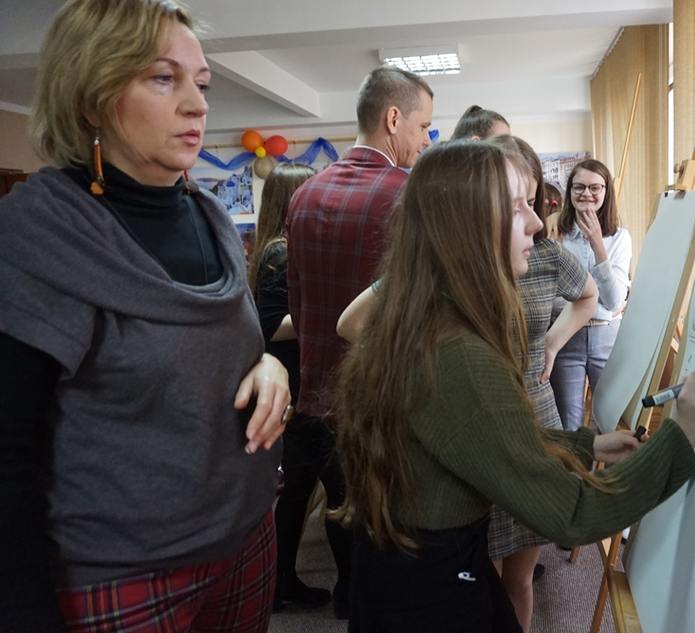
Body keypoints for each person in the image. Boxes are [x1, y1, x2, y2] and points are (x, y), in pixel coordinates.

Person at [332, 140, 695, 632]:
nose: (538, 222)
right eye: (517, 207)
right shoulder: (459, 354)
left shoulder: (421, 315)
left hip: (401, 574)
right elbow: (574, 514)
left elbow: (475, 435)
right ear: (469, 227)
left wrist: (585, 444)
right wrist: (679, 436)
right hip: (433, 593)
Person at [0, 1, 291, 631]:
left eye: (201, 83)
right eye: (163, 78)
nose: (197, 105)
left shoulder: (209, 215)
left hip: (244, 540)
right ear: (90, 98)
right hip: (125, 574)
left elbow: (216, 343)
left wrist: (270, 365)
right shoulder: (40, 233)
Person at [336, 135, 601, 631]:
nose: (534, 220)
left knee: (516, 577)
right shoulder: (449, 321)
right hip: (469, 424)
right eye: (516, 204)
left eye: (532, 200)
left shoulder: (545, 255)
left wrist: (551, 344)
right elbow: (353, 323)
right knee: (474, 567)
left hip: (529, 411)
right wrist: (411, 362)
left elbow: (591, 296)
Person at [286, 64, 433, 618]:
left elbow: (299, 306)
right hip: (387, 399)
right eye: (423, 126)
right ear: (393, 119)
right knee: (390, 532)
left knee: (343, 513)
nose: (425, 141)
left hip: (318, 394)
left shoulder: (304, 195)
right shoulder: (410, 193)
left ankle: (350, 600)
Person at [247, 162, 332, 612]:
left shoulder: (280, 249)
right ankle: (281, 585)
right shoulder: (279, 253)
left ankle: (281, 584)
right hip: (296, 385)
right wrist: (323, 320)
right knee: (310, 488)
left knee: (303, 489)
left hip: (299, 384)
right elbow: (269, 325)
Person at [551, 159, 633, 431]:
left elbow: (614, 300)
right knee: (569, 424)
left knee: (607, 422)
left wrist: (598, 243)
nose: (587, 193)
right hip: (566, 336)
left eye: (595, 187)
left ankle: (605, 463)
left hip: (607, 337)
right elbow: (554, 295)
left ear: (606, 191)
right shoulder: (556, 235)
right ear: (570, 191)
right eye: (579, 187)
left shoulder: (620, 238)